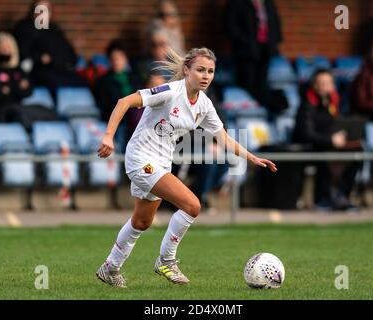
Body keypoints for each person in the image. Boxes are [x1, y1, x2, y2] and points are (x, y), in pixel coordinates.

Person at [95, 47, 277, 287]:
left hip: (161, 162)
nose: (206, 75)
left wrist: (252, 158)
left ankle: (110, 268)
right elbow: (124, 101)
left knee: (141, 222)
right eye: (200, 70)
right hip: (140, 158)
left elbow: (222, 138)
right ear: (186, 70)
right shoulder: (170, 91)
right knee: (192, 205)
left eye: (210, 71)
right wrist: (108, 136)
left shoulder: (204, 104)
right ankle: (166, 261)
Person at [293, 69, 359, 211]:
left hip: (331, 144)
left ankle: (343, 195)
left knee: (357, 152)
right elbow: (306, 134)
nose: (323, 86)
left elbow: (339, 123)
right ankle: (325, 199)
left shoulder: (334, 102)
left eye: (327, 83)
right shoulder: (306, 105)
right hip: (311, 147)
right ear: (314, 85)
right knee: (324, 154)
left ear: (332, 86)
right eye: (320, 83)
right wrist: (330, 140)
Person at [13, 0, 86, 97]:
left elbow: (70, 56)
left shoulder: (54, 31)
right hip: (36, 72)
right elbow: (20, 53)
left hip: (59, 70)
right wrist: (40, 58)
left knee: (82, 83)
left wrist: (54, 59)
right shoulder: (24, 29)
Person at [224, 0, 282, 107]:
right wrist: (244, 42)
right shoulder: (237, 3)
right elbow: (230, 25)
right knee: (248, 85)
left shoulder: (268, 3)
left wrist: (275, 43)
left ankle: (266, 108)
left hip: (265, 50)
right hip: (245, 52)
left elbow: (275, 23)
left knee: (262, 84)